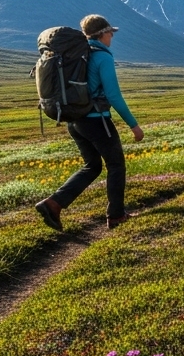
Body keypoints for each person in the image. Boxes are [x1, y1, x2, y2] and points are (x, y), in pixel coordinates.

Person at [35, 14, 144, 230]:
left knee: (92, 166)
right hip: (97, 121)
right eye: (110, 32)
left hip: (75, 121)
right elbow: (113, 96)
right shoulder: (102, 57)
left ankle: (53, 203)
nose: (112, 35)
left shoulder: (80, 54)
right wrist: (134, 125)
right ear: (102, 34)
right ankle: (116, 215)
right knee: (116, 165)